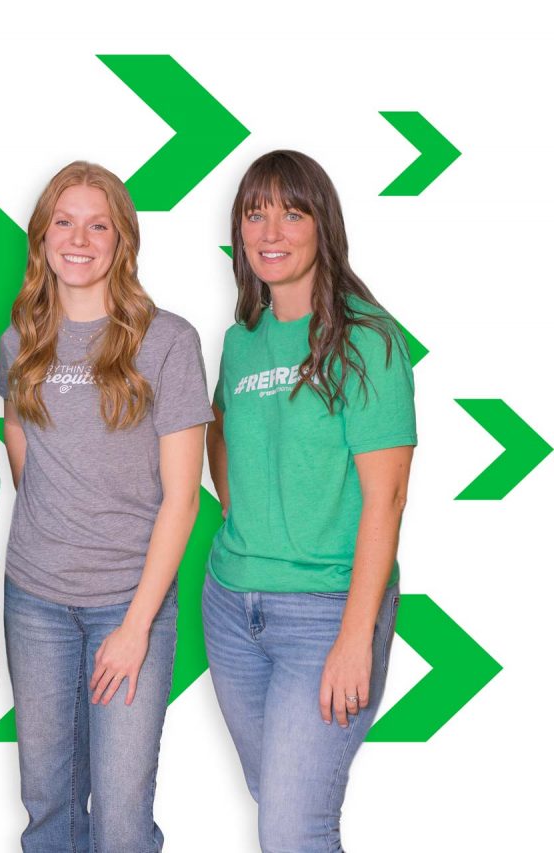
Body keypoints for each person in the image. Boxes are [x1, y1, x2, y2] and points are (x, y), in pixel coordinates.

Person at [0, 161, 212, 852]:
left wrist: (137, 624)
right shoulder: (20, 338)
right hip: (36, 602)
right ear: (42, 237)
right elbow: (22, 449)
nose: (79, 238)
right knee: (49, 806)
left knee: (120, 820)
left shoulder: (167, 340)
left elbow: (183, 497)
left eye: (99, 224)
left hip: (129, 601)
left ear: (123, 241)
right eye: (64, 221)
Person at [204, 150, 415, 852]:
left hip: (326, 612)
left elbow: (386, 499)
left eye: (292, 211)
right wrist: (241, 509)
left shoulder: (366, 339)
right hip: (233, 606)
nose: (271, 228)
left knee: (294, 829)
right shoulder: (241, 340)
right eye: (255, 211)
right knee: (280, 806)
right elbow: (220, 426)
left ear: (322, 224)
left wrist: (357, 636)